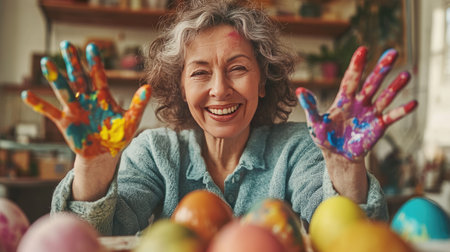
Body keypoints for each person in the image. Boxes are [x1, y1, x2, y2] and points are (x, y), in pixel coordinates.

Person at [22, 0, 417, 236]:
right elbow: (93, 240)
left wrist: (347, 169)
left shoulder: (298, 149)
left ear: (263, 80)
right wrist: (92, 166)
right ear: (180, 87)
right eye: (199, 72)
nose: (219, 89)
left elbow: (349, 238)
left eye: (238, 68)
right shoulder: (155, 151)